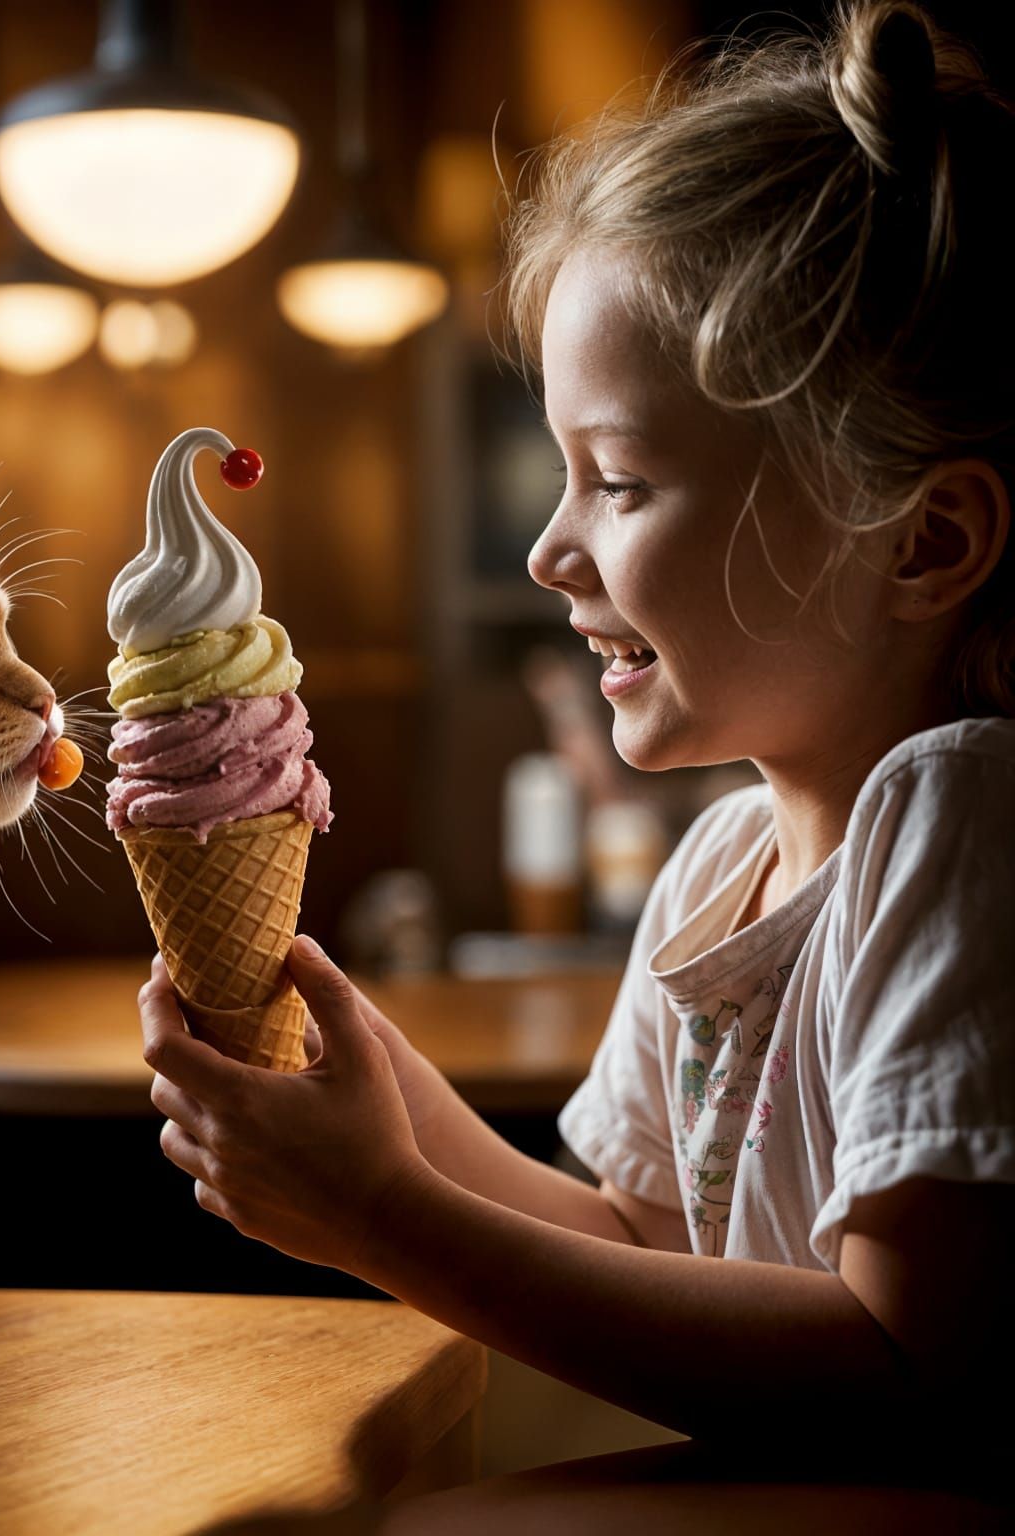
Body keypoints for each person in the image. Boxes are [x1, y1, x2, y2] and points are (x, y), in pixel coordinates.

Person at [138, 0, 1015, 1468]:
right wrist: (384, 1109)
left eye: (619, 481)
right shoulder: (725, 860)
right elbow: (636, 1239)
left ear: (922, 540)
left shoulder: (965, 823)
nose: (551, 549)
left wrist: (386, 1219)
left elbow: (912, 1372)